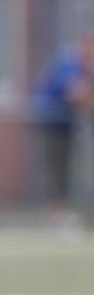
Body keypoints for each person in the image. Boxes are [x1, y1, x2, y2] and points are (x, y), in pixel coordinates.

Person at [31, 34, 94, 230]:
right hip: (52, 122)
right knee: (57, 169)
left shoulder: (82, 66)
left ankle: (61, 213)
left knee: (65, 169)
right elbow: (75, 93)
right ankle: (57, 216)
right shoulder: (67, 62)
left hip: (66, 123)